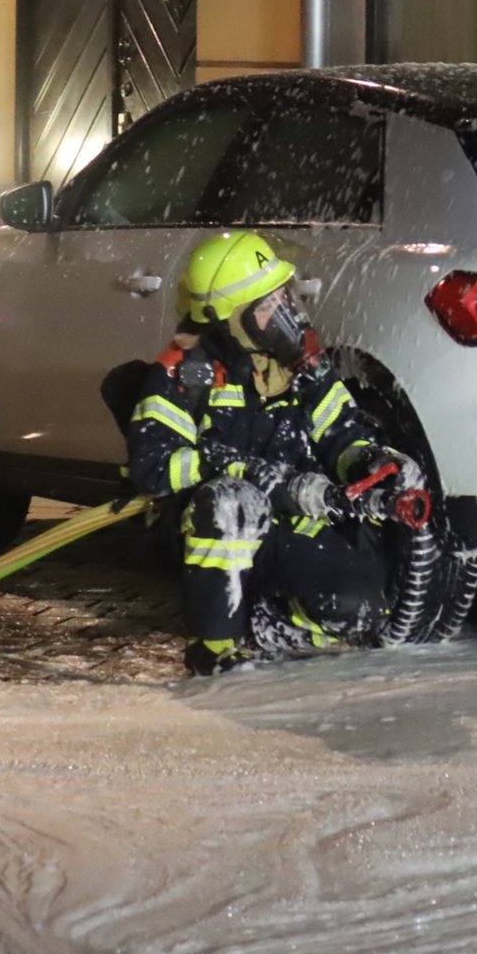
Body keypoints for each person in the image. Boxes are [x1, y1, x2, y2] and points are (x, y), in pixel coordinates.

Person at [125, 230, 425, 676]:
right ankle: (215, 647)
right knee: (232, 500)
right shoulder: (184, 373)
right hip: (206, 527)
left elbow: (341, 435)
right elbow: (152, 467)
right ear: (231, 318)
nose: (286, 313)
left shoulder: (303, 370)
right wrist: (235, 468)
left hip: (289, 518)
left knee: (358, 611)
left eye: (284, 299)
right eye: (267, 306)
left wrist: (373, 463)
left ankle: (261, 625)